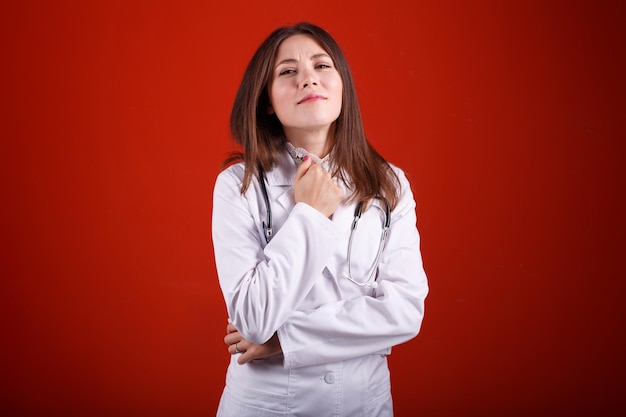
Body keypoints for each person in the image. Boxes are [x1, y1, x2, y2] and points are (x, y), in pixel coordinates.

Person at [211, 22, 428, 416]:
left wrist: (286, 340)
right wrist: (309, 213)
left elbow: (404, 312)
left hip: (363, 402)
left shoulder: (389, 183)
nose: (308, 78)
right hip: (268, 405)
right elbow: (255, 320)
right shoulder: (237, 186)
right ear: (266, 102)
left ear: (342, 85)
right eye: (288, 71)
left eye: (322, 65)